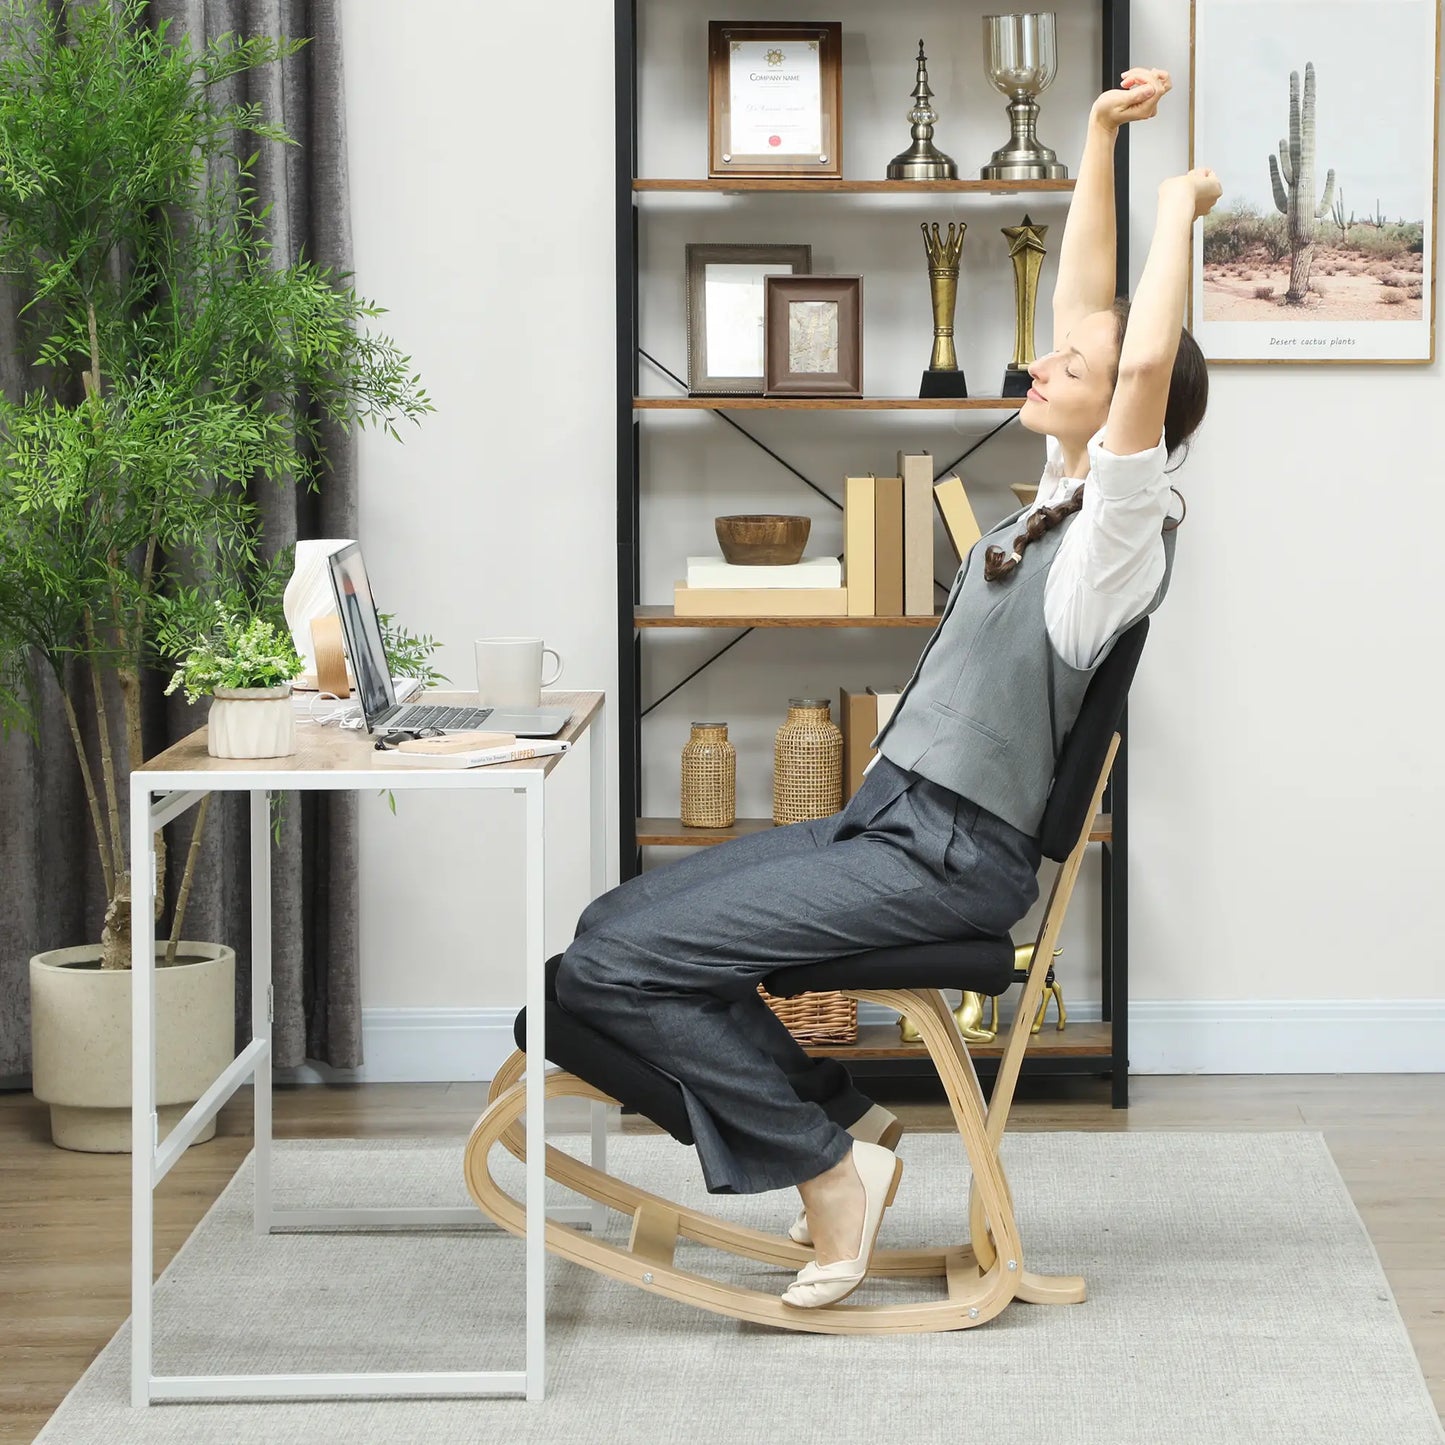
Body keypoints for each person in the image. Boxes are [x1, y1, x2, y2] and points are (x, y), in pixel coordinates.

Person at [555, 67, 1220, 1310]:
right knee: (600, 941)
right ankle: (838, 1121)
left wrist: (1177, 206)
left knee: (606, 971)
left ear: (1129, 402)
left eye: (1064, 365)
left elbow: (1131, 369)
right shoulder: (1058, 494)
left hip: (947, 857)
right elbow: (1088, 314)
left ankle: (825, 1170)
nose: (1038, 359)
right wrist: (1090, 134)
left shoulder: (1114, 542)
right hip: (888, 822)